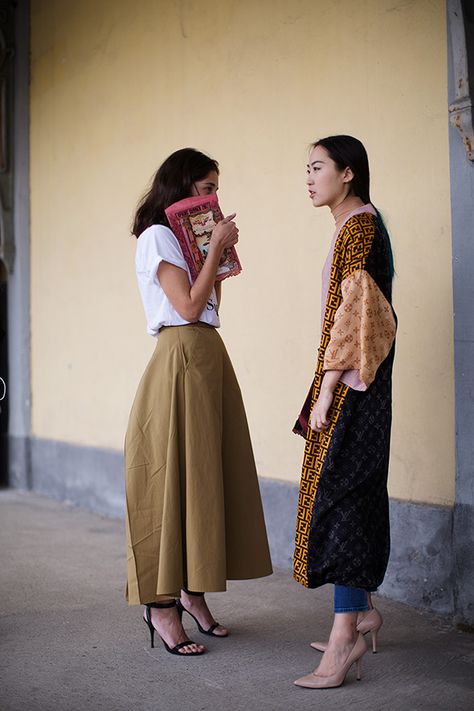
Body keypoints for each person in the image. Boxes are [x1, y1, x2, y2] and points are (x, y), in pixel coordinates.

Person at [125, 148, 272, 657]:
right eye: (205, 187)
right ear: (183, 186)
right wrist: (214, 251)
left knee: (205, 478)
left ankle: (194, 591)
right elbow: (186, 307)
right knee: (173, 480)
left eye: (214, 188)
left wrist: (214, 254)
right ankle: (161, 605)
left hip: (208, 353)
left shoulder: (187, 239)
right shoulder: (158, 236)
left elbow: (208, 307)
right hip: (181, 354)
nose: (212, 197)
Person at [292, 135, 397, 688]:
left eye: (317, 168)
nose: (309, 178)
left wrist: (328, 388)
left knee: (342, 501)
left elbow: (357, 306)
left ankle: (343, 642)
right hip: (362, 382)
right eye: (306, 169)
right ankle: (362, 613)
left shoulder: (358, 226)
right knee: (351, 492)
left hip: (355, 386)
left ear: (348, 173)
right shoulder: (359, 223)